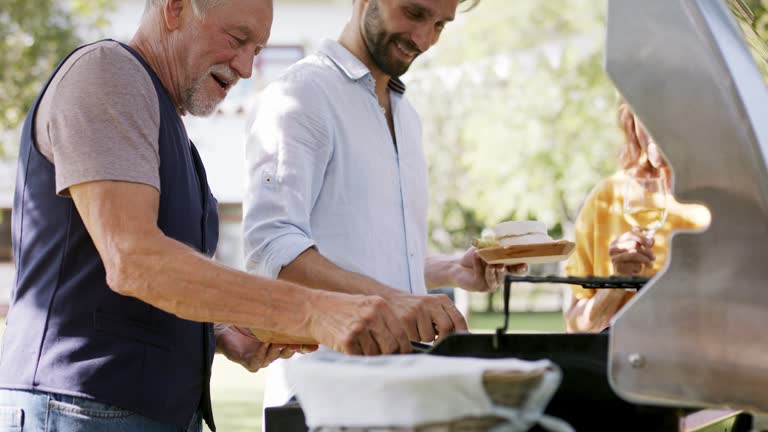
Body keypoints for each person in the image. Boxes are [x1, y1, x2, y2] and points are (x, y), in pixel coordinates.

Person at [0, 1, 415, 431]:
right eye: (237, 40)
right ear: (175, 9)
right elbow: (134, 260)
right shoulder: (108, 72)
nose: (247, 67)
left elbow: (131, 282)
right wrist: (314, 309)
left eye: (257, 50)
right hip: (77, 408)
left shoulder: (166, 118)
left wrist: (218, 331)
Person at [243, 0, 526, 409]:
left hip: (402, 391)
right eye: (414, 13)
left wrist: (451, 269)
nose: (424, 39)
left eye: (440, 25)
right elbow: (271, 248)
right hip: (324, 395)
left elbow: (367, 253)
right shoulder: (300, 95)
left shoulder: (407, 115)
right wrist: (392, 301)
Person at [564, 100, 710, 333]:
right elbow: (577, 328)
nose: (657, 126)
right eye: (646, 112)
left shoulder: (727, 199)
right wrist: (617, 284)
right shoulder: (606, 198)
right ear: (630, 117)